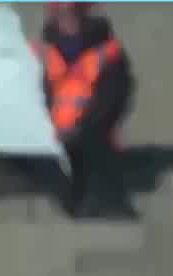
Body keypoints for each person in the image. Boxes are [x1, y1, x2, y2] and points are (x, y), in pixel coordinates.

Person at [39, 2, 136, 219]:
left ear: (85, 11)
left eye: (73, 10)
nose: (67, 17)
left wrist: (78, 130)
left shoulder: (108, 53)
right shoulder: (47, 52)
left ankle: (98, 203)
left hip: (90, 138)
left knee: (89, 157)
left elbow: (111, 104)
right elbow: (40, 95)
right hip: (53, 139)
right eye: (60, 11)